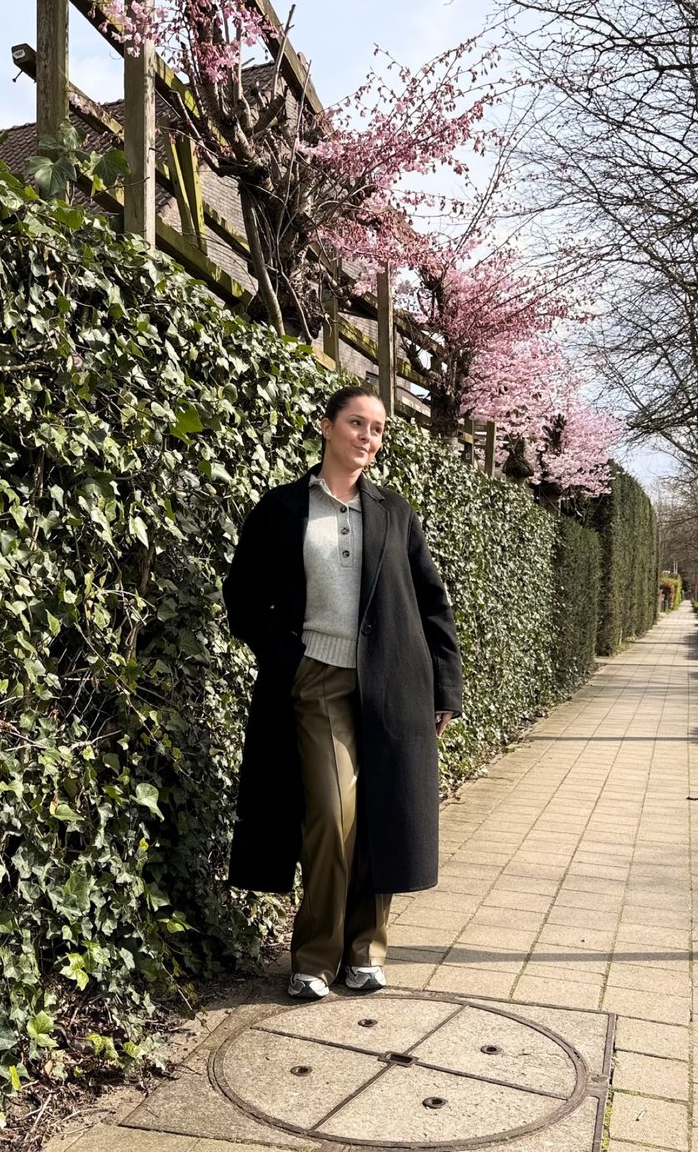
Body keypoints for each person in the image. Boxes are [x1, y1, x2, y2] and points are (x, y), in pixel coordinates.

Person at [223, 384, 462, 1001]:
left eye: (378, 429)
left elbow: (432, 604)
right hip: (316, 682)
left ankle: (367, 950)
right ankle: (313, 956)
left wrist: (444, 687)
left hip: (392, 687)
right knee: (332, 815)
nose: (368, 437)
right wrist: (290, 661)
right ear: (326, 427)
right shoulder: (282, 509)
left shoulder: (393, 513)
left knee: (379, 813)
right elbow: (244, 597)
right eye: (357, 423)